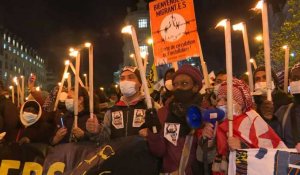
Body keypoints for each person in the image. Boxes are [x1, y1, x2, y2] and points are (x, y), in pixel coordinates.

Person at [206, 78, 286, 174]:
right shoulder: (218, 124)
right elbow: (207, 158)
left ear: (240, 103)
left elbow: (265, 159)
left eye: (226, 99)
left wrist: (241, 149)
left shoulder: (252, 121)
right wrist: (206, 139)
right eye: (218, 100)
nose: (220, 104)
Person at [147, 64, 203, 175]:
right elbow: (159, 151)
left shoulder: (206, 111)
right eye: (175, 84)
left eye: (184, 84)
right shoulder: (164, 112)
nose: (178, 88)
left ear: (196, 87)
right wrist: (154, 132)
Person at [86, 66, 152, 142]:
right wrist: (97, 131)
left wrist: (151, 134)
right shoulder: (111, 111)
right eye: (122, 78)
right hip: (118, 153)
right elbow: (104, 140)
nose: (126, 81)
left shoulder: (150, 106)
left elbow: (160, 135)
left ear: (140, 83)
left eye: (131, 77)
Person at [275, 63, 300, 151]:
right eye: (295, 78)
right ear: (290, 81)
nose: (298, 81)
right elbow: (272, 142)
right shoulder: (283, 112)